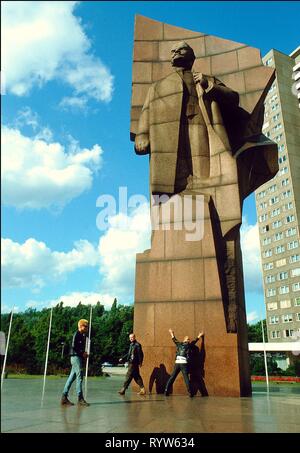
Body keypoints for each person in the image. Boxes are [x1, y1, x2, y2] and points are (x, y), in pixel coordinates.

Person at [164, 328, 204, 397]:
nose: (188, 340)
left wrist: (171, 333)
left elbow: (174, 339)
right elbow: (194, 342)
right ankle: (190, 392)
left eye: (189, 339)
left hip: (177, 362)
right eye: (187, 339)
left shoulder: (179, 344)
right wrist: (199, 336)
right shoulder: (189, 345)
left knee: (172, 377)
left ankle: (166, 390)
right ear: (185, 340)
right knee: (186, 378)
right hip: (183, 363)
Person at [61, 319, 90, 407]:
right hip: (75, 357)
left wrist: (83, 354)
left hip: (77, 357)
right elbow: (74, 346)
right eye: (86, 326)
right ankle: (80, 398)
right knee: (80, 376)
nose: (87, 328)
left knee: (72, 377)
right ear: (81, 326)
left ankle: (64, 397)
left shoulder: (82, 335)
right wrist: (82, 353)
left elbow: (77, 347)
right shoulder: (77, 334)